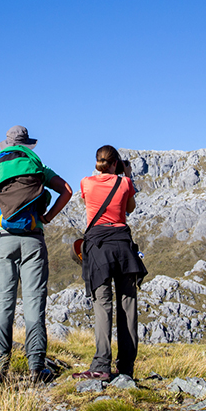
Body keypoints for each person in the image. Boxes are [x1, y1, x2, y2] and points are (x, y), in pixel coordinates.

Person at [0, 125, 72, 384]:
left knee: (3, 305)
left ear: (8, 145)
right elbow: (67, 190)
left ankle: (0, 368)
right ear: (27, 145)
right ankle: (36, 367)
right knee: (34, 304)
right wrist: (48, 216)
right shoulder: (39, 167)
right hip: (34, 240)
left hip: (5, 241)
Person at [73, 145, 147, 381]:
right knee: (128, 307)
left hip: (98, 249)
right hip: (123, 247)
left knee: (103, 306)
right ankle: (126, 367)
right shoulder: (124, 183)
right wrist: (128, 175)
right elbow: (130, 208)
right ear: (116, 163)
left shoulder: (86, 183)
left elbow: (90, 200)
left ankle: (101, 365)